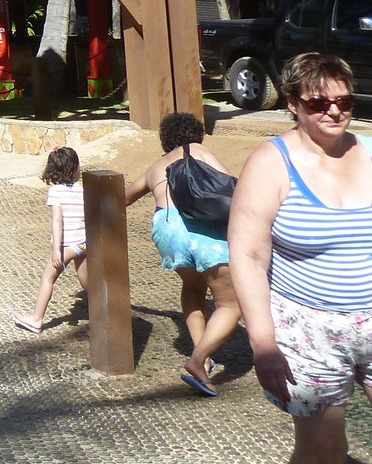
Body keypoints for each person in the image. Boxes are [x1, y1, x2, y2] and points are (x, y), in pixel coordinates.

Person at [231, 52, 372, 460]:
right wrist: (263, 344)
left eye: (345, 102)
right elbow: (248, 257)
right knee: (323, 450)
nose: (335, 111)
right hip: (310, 329)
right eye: (319, 103)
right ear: (292, 103)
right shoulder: (270, 164)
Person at [125, 111, 238, 395]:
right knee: (231, 304)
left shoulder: (156, 166)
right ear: (196, 133)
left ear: (165, 139)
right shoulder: (200, 151)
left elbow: (123, 198)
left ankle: (204, 352)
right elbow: (228, 188)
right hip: (202, 233)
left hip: (167, 231)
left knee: (192, 286)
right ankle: (199, 361)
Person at [15, 146, 88, 333]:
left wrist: (57, 249)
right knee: (88, 282)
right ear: (73, 170)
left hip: (67, 245)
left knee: (47, 278)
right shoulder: (82, 191)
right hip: (84, 243)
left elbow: (57, 221)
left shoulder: (56, 192)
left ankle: (36, 319)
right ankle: (104, 313)